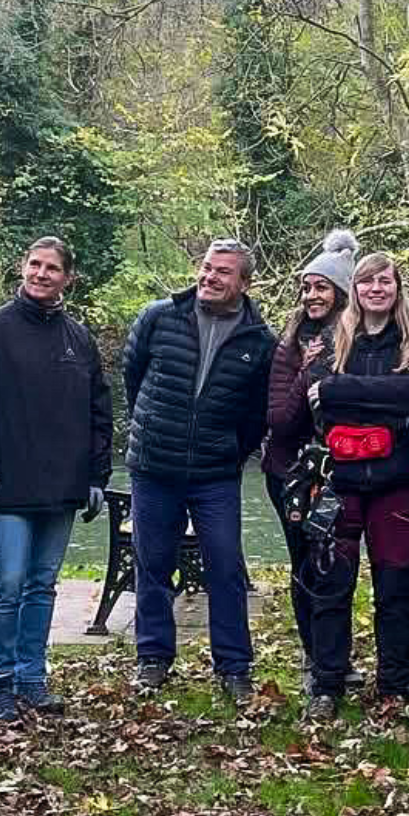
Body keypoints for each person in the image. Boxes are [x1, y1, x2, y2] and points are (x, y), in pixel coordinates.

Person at [0, 237, 113, 722]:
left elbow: (99, 410)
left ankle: (31, 675)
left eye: (52, 268)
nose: (41, 274)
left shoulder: (79, 339)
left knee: (43, 583)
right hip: (6, 484)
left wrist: (96, 476)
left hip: (62, 486)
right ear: (22, 269)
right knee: (8, 581)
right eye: (34, 265)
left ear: (68, 277)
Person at [123, 238, 276, 699]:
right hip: (154, 466)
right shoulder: (159, 317)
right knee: (152, 563)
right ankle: (153, 657)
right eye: (207, 268)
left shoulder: (259, 341)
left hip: (215, 473)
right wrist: (151, 429)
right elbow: (134, 377)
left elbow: (257, 414)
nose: (209, 277)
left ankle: (233, 666)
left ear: (243, 283)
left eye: (222, 272)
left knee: (225, 565)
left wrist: (230, 451)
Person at [302, 252, 409, 719]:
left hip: (397, 482)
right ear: (355, 290)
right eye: (366, 282)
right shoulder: (333, 339)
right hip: (340, 482)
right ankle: (327, 682)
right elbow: (317, 398)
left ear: (398, 288)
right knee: (331, 584)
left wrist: (346, 391)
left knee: (394, 588)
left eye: (385, 281)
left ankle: (394, 686)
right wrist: (364, 398)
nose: (376, 289)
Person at [263, 229, 359, 683]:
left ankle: (337, 657)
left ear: (342, 293)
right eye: (306, 288)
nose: (311, 296)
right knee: (306, 563)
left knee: (338, 566)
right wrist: (308, 372)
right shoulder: (291, 347)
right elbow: (281, 420)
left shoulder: (357, 343)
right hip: (291, 475)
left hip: (345, 472)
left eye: (321, 287)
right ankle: (314, 658)